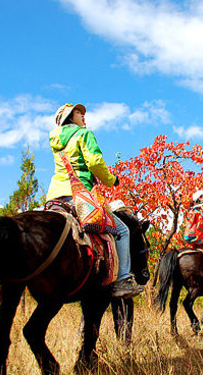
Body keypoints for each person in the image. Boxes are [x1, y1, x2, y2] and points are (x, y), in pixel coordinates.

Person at [45, 102, 143, 298]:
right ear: (69, 117)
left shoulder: (55, 140)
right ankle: (123, 280)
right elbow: (94, 162)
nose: (83, 116)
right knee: (122, 230)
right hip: (79, 195)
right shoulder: (84, 135)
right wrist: (111, 180)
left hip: (55, 196)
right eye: (78, 113)